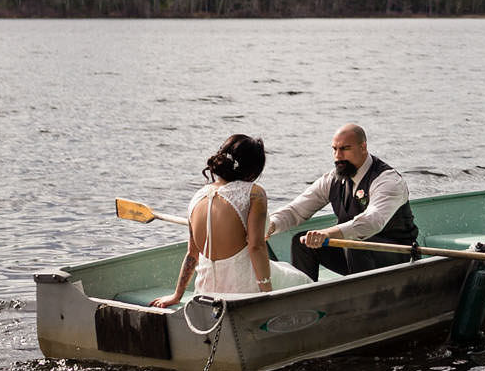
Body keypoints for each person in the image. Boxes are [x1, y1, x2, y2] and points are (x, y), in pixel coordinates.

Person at [151, 134, 305, 306]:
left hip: (206, 291)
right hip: (244, 286)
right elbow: (256, 246)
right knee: (301, 280)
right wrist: (266, 294)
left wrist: (177, 296)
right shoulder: (254, 193)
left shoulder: (198, 196)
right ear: (253, 170)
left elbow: (192, 254)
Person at [268, 123, 421, 281]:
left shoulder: (387, 180)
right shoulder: (332, 179)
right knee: (303, 242)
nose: (338, 156)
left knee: (355, 245)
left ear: (363, 147)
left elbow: (371, 222)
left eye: (345, 149)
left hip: (399, 256)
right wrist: (269, 225)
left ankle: (361, 300)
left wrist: (327, 233)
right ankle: (305, 297)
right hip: (356, 255)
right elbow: (296, 211)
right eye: (334, 149)